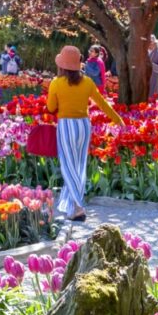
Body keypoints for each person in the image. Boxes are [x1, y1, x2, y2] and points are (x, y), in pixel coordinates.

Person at [47, 45, 124, 222]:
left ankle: (79, 207)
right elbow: (103, 103)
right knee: (79, 166)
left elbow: (51, 107)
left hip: (66, 125)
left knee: (68, 166)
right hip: (83, 125)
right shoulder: (88, 82)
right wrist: (118, 120)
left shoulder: (56, 83)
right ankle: (72, 206)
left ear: (62, 65)